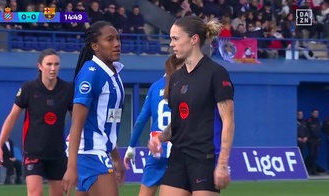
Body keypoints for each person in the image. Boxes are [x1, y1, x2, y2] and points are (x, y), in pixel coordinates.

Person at [148, 15, 235, 196]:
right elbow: (179, 122)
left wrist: (223, 163)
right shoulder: (176, 78)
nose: (171, 44)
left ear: (194, 39)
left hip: (204, 159)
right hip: (177, 158)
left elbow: (228, 122)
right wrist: (160, 137)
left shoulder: (216, 74)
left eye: (175, 38)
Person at [0, 49, 73, 196]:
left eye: (56, 64)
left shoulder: (67, 90)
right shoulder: (28, 89)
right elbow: (11, 118)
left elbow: (78, 120)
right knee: (35, 193)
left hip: (57, 153)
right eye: (49, 64)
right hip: (33, 152)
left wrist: (74, 136)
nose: (53, 68)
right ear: (40, 66)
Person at [62, 21, 125, 196]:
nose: (117, 44)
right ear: (95, 46)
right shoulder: (90, 73)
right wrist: (72, 166)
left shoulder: (113, 74)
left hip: (97, 151)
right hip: (89, 153)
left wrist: (116, 158)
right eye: (110, 39)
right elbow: (76, 124)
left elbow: (107, 123)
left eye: (118, 39)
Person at [123, 55, 185, 196]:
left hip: (157, 149)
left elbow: (141, 120)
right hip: (179, 148)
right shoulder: (184, 86)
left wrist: (131, 147)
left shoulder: (155, 87)